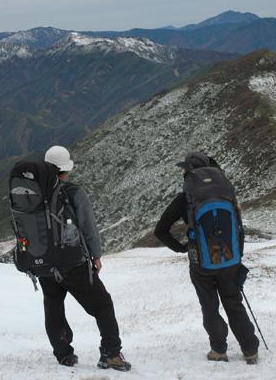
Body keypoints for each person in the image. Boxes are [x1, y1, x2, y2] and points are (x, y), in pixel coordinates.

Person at [154, 151, 260, 364]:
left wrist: (182, 248)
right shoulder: (227, 193)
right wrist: (236, 256)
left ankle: (219, 351)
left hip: (201, 262)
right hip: (229, 260)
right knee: (234, 303)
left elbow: (161, 230)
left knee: (209, 306)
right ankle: (250, 350)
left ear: (189, 172)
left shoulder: (186, 199)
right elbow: (238, 228)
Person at [39, 145, 131, 371]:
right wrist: (96, 255)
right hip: (72, 263)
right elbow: (88, 227)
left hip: (43, 263)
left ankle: (63, 354)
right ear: (64, 170)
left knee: (53, 306)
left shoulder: (33, 192)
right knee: (102, 304)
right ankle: (111, 354)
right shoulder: (72, 192)